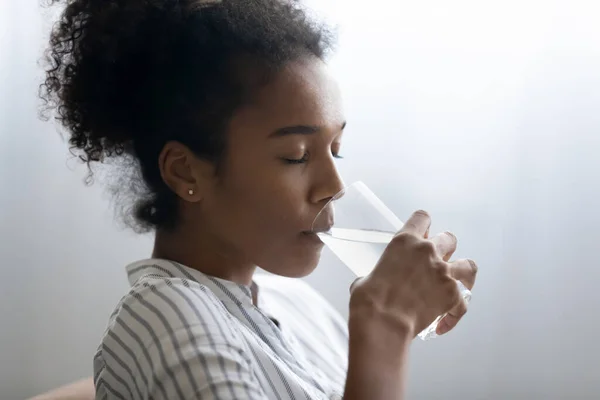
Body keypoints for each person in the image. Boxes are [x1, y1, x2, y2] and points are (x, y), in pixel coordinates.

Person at [41, 0, 478, 399]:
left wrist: (399, 317)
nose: (335, 184)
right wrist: (385, 324)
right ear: (185, 171)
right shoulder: (166, 315)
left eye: (336, 149)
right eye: (296, 156)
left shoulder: (296, 306)